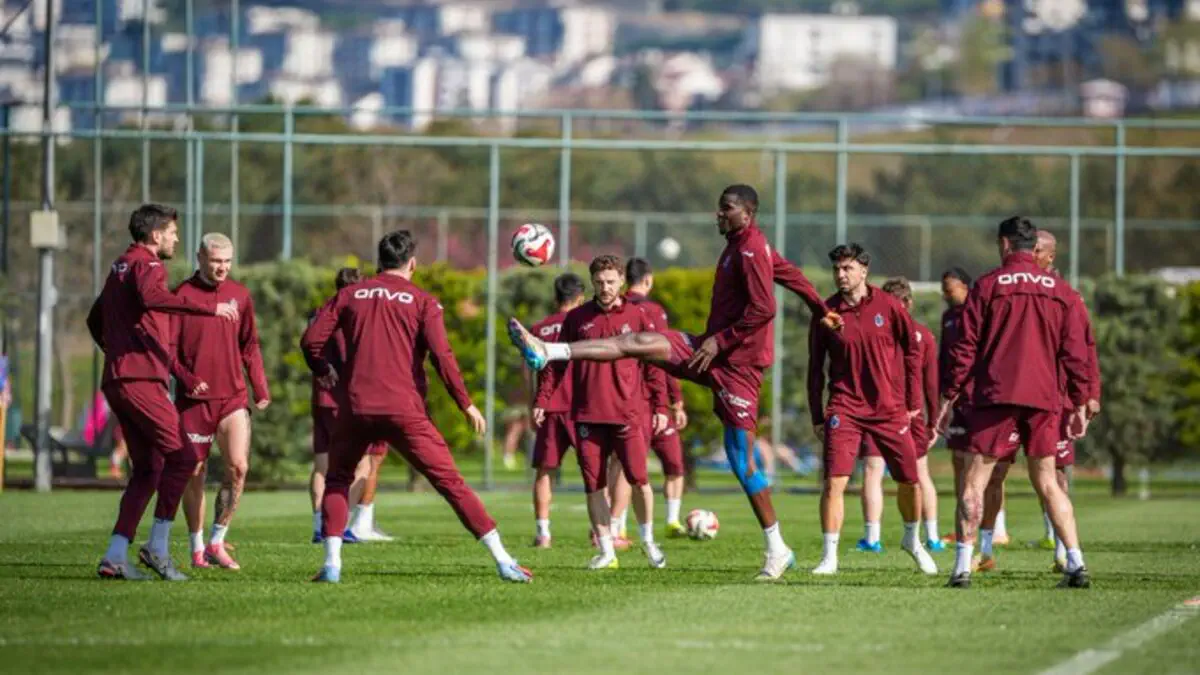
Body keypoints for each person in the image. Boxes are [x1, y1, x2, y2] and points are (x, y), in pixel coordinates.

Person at [508, 184, 842, 581]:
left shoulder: (751, 249)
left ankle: (778, 548)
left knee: (742, 461)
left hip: (737, 367)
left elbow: (764, 308)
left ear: (747, 213)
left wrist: (720, 341)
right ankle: (550, 351)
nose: (719, 214)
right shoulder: (742, 245)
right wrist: (820, 308)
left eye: (727, 208)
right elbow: (792, 275)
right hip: (709, 351)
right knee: (639, 342)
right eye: (719, 207)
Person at [302, 230, 531, 583]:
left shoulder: (350, 295)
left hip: (356, 407)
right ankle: (503, 560)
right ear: (412, 263)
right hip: (403, 410)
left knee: (337, 479)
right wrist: (465, 404)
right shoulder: (423, 301)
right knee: (451, 483)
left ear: (379, 262)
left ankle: (332, 564)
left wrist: (322, 369)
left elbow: (310, 340)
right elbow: (443, 356)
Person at [937, 216, 1093, 589]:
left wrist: (949, 395)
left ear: (1005, 244)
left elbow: (965, 347)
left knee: (975, 481)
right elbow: (1076, 350)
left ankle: (962, 567)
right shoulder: (1061, 290)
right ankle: (1076, 561)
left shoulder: (987, 285)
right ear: (1032, 246)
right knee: (1049, 482)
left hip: (996, 397)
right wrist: (1081, 399)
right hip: (1043, 398)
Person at [87, 203, 240, 581]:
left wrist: (116, 352)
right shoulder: (149, 265)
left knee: (149, 469)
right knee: (184, 457)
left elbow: (94, 318)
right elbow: (152, 297)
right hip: (140, 381)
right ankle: (157, 548)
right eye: (172, 232)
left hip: (119, 380)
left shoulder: (120, 266)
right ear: (155, 235)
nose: (175, 238)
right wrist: (207, 309)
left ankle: (115, 555)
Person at [807, 246, 938, 576]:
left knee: (910, 480)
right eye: (837, 269)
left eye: (847, 268)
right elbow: (815, 368)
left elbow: (912, 351)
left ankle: (913, 541)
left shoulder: (889, 306)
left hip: (889, 409)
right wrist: (817, 415)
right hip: (844, 407)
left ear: (863, 271)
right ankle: (829, 557)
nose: (840, 275)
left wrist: (913, 402)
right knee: (834, 482)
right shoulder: (826, 312)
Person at [535, 255, 669, 570]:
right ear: (592, 283)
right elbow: (557, 363)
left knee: (640, 480)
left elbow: (655, 365)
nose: (605, 287)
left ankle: (648, 541)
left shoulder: (638, 315)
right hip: (587, 414)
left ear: (621, 281)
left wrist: (661, 405)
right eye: (599, 282)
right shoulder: (576, 318)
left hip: (627, 414)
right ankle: (606, 551)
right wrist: (543, 400)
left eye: (610, 282)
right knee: (593, 485)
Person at [172, 233, 271, 571]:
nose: (222, 268)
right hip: (194, 402)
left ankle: (218, 540)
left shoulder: (240, 295)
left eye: (227, 261)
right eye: (216, 261)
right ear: (200, 257)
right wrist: (187, 379)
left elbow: (250, 344)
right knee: (194, 473)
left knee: (239, 467)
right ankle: (197, 546)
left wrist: (260, 387)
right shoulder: (181, 296)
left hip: (233, 397)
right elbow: (168, 351)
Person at [856, 277, 945, 553]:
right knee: (919, 473)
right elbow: (931, 383)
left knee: (873, 470)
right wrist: (933, 421)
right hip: (910, 412)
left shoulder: (873, 332)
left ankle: (872, 538)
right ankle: (932, 537)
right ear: (909, 302)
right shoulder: (923, 335)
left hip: (878, 409)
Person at [1032, 230, 1102, 571]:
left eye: (1038, 250)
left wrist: (1090, 395)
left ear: (1050, 257)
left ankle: (1063, 551)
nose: (1032, 255)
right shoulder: (1010, 290)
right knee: (990, 471)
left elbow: (1085, 348)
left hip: (1054, 399)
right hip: (1013, 396)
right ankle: (983, 550)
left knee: (1056, 474)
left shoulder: (1068, 298)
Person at [309, 268, 390, 545]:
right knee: (363, 466)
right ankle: (337, 525)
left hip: (320, 398)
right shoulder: (351, 315)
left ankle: (318, 526)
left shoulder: (320, 312)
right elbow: (353, 356)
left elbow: (310, 345)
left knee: (322, 466)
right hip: (344, 399)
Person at [622, 257, 689, 539]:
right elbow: (664, 356)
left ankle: (619, 526)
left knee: (624, 468)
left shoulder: (615, 308)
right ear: (648, 279)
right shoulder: (653, 310)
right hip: (650, 400)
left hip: (624, 399)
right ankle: (669, 519)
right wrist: (676, 400)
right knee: (672, 465)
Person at [528, 272, 586, 548]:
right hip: (583, 407)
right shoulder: (585, 324)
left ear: (555, 297)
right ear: (581, 298)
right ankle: (600, 532)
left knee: (545, 470)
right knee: (596, 470)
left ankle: (543, 534)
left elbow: (532, 371)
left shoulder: (539, 329)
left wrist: (534, 404)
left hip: (549, 407)